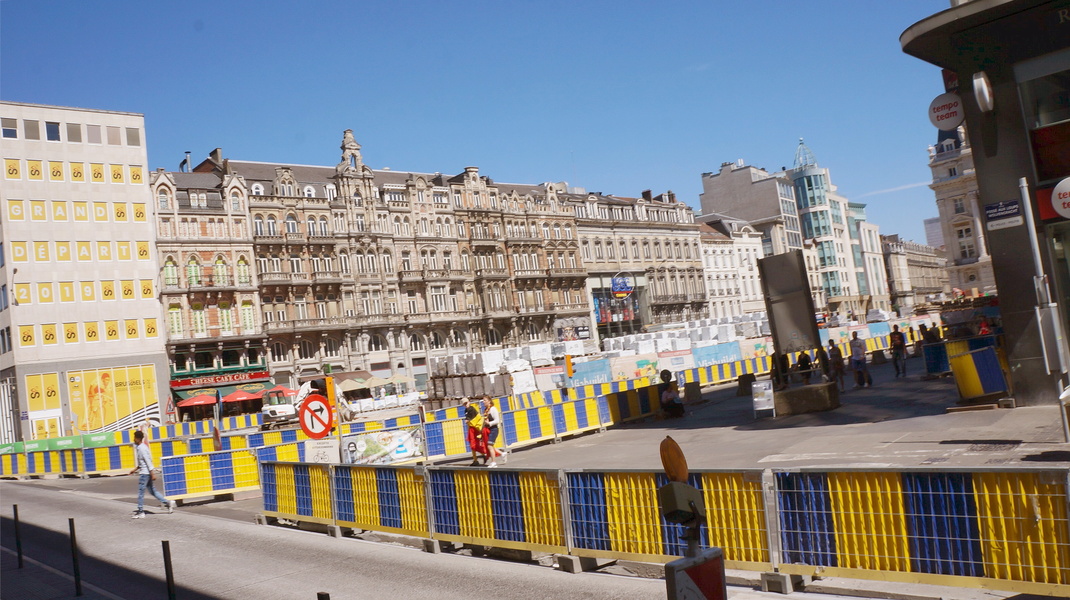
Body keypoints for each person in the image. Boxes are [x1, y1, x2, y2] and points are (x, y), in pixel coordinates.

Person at [129, 430, 175, 518]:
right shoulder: (142, 447)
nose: (133, 439)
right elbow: (142, 462)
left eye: (134, 438)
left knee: (141, 492)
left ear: (138, 439)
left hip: (145, 474)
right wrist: (135, 469)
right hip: (146, 472)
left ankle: (140, 511)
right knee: (152, 491)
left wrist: (152, 473)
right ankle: (168, 503)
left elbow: (148, 461)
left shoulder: (141, 448)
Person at [462, 398, 486, 466]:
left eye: (466, 403)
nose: (466, 405)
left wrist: (467, 420)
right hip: (472, 429)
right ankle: (477, 458)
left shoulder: (471, 409)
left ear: (469, 402)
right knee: (473, 444)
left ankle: (482, 455)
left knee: (474, 444)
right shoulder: (467, 410)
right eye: (464, 404)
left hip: (476, 429)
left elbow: (469, 418)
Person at [482, 396, 502, 467]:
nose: (483, 402)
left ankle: (494, 462)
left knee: (490, 445)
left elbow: (497, 420)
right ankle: (501, 455)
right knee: (489, 445)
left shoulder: (493, 409)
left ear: (489, 401)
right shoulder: (486, 410)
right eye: (483, 400)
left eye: (485, 400)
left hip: (494, 429)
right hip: (488, 429)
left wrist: (489, 423)